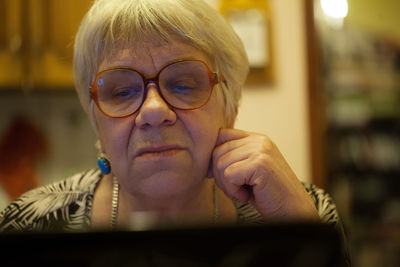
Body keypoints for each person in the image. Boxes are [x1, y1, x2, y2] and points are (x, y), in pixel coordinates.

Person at [0, 0, 343, 237]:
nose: (153, 111)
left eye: (183, 84)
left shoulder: (305, 213)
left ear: (231, 105)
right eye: (121, 92)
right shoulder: (27, 228)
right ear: (95, 121)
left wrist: (300, 233)